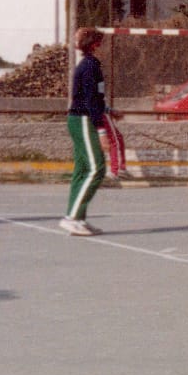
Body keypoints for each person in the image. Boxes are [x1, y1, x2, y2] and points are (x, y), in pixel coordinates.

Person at [61, 26, 113, 235]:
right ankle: (71, 218)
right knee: (96, 168)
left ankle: (78, 219)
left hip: (80, 118)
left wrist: (108, 110)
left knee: (82, 170)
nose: (105, 47)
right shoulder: (90, 66)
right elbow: (90, 101)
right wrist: (102, 132)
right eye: (102, 43)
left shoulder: (90, 64)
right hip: (82, 120)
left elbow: (92, 98)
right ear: (95, 45)